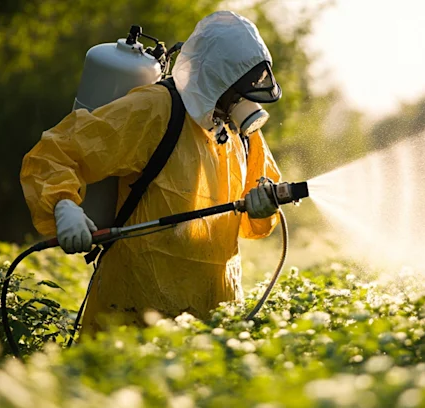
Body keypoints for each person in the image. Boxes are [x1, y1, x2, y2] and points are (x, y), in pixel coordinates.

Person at [20, 11, 282, 335]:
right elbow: (56, 152)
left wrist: (264, 207)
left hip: (213, 327)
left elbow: (257, 217)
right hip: (131, 321)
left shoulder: (240, 132)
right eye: (237, 91)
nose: (242, 102)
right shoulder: (156, 110)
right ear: (216, 79)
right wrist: (63, 205)